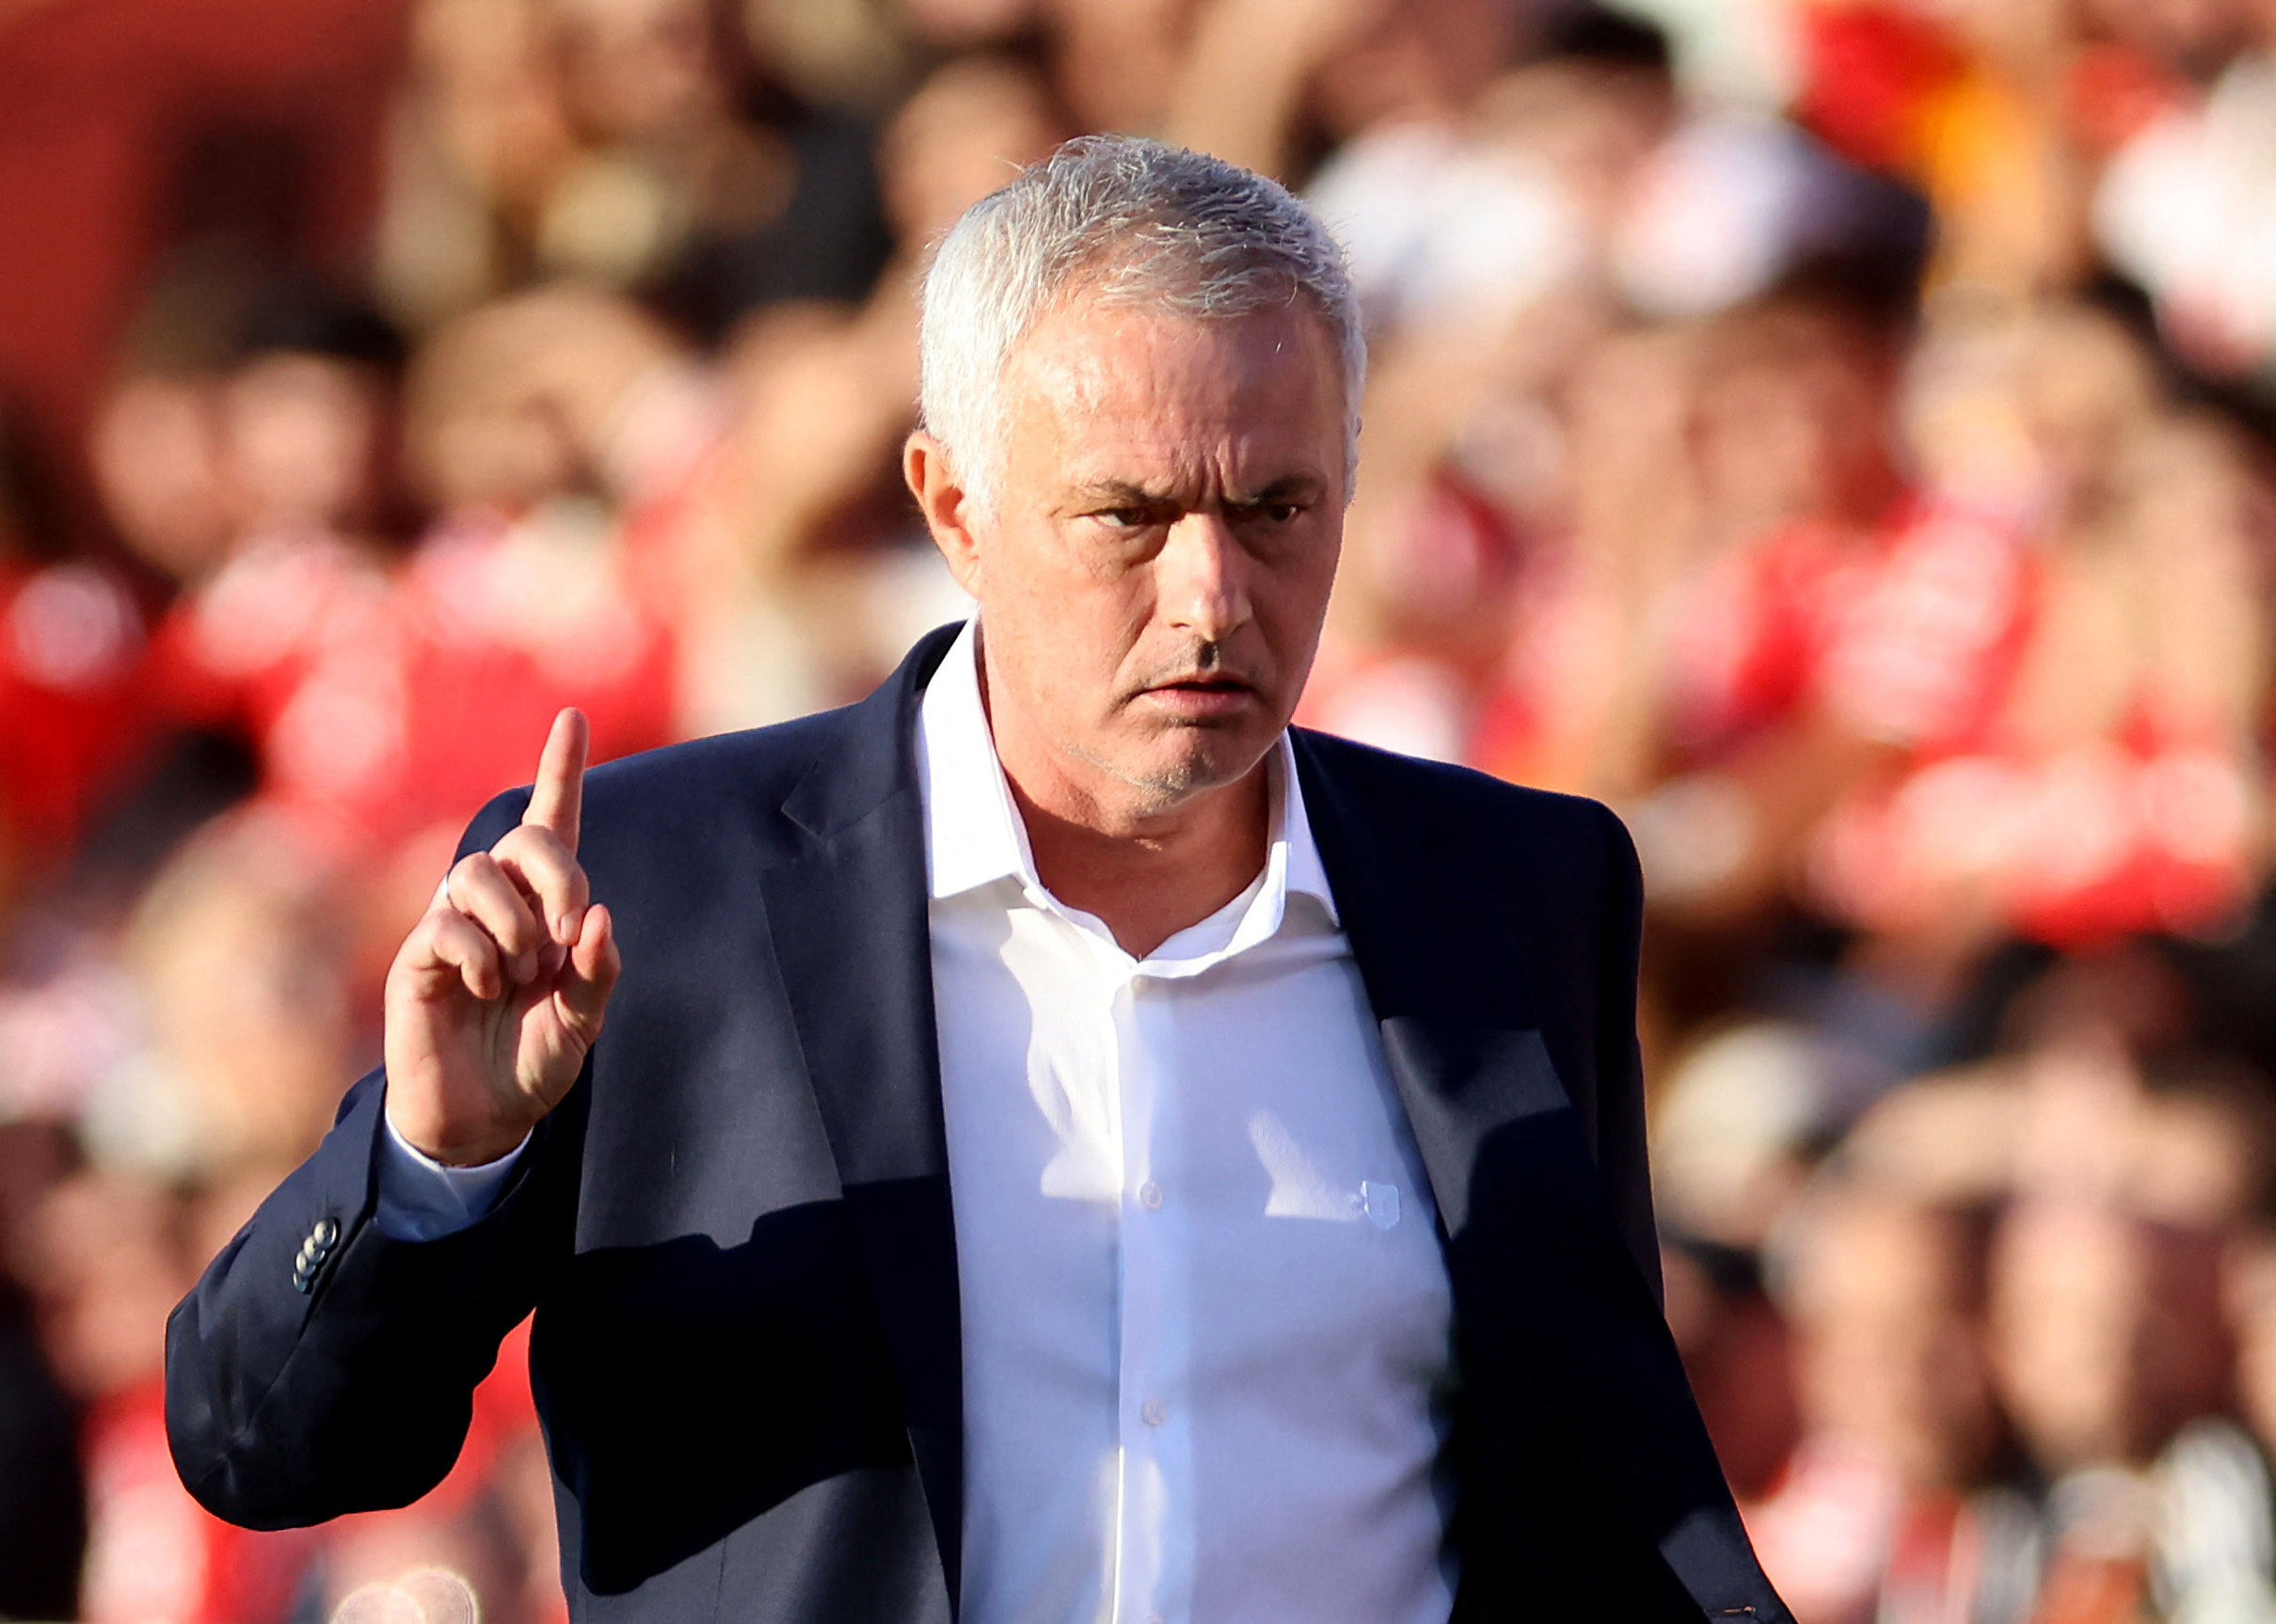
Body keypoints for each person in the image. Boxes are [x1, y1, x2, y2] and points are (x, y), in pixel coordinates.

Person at [167, 135, 1788, 1623]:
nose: (1213, 594)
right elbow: (269, 1448)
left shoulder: (1518, 888)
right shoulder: (647, 891)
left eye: (1277, 505)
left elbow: (1594, 1494)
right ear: (953, 504)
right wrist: (436, 1160)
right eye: (1128, 515)